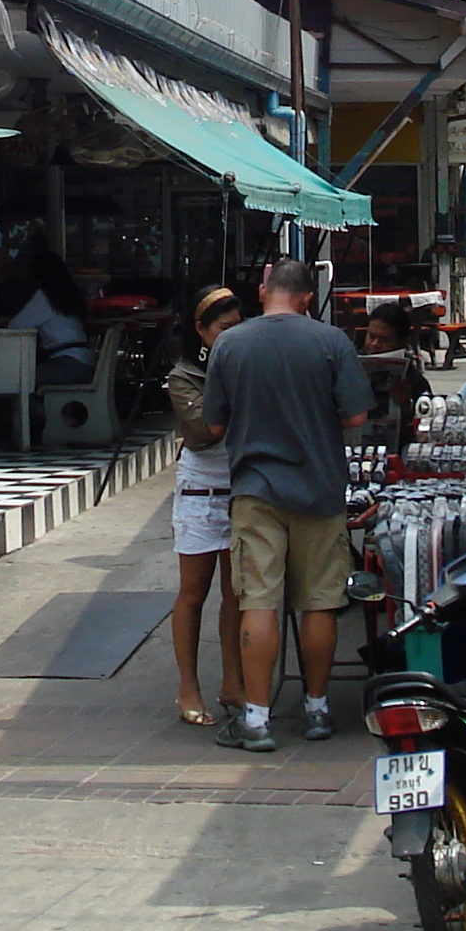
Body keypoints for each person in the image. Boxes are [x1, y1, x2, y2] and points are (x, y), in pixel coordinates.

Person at [202, 256, 371, 754]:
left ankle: (256, 719)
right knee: (320, 600)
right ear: (306, 298)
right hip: (320, 489)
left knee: (259, 600)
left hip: (256, 492)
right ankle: (317, 709)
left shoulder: (230, 344)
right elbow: (357, 414)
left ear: (263, 290)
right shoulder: (331, 342)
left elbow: (213, 426)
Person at [163, 286, 248, 727]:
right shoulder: (184, 376)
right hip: (200, 491)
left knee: (236, 594)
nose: (232, 337)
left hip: (241, 489)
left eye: (238, 328)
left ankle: (233, 680)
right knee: (193, 592)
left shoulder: (244, 366)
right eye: (224, 330)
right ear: (201, 331)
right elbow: (203, 430)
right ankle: (188, 686)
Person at [8, 249, 92, 386]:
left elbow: (16, 325)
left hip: (67, 364)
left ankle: (36, 409)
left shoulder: (45, 297)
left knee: (15, 382)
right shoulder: (67, 294)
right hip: (83, 362)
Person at [357, 301, 433, 453]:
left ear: (402, 342)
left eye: (385, 340)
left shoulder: (414, 380)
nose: (375, 344)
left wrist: (406, 406)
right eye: (371, 337)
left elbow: (427, 428)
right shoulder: (349, 365)